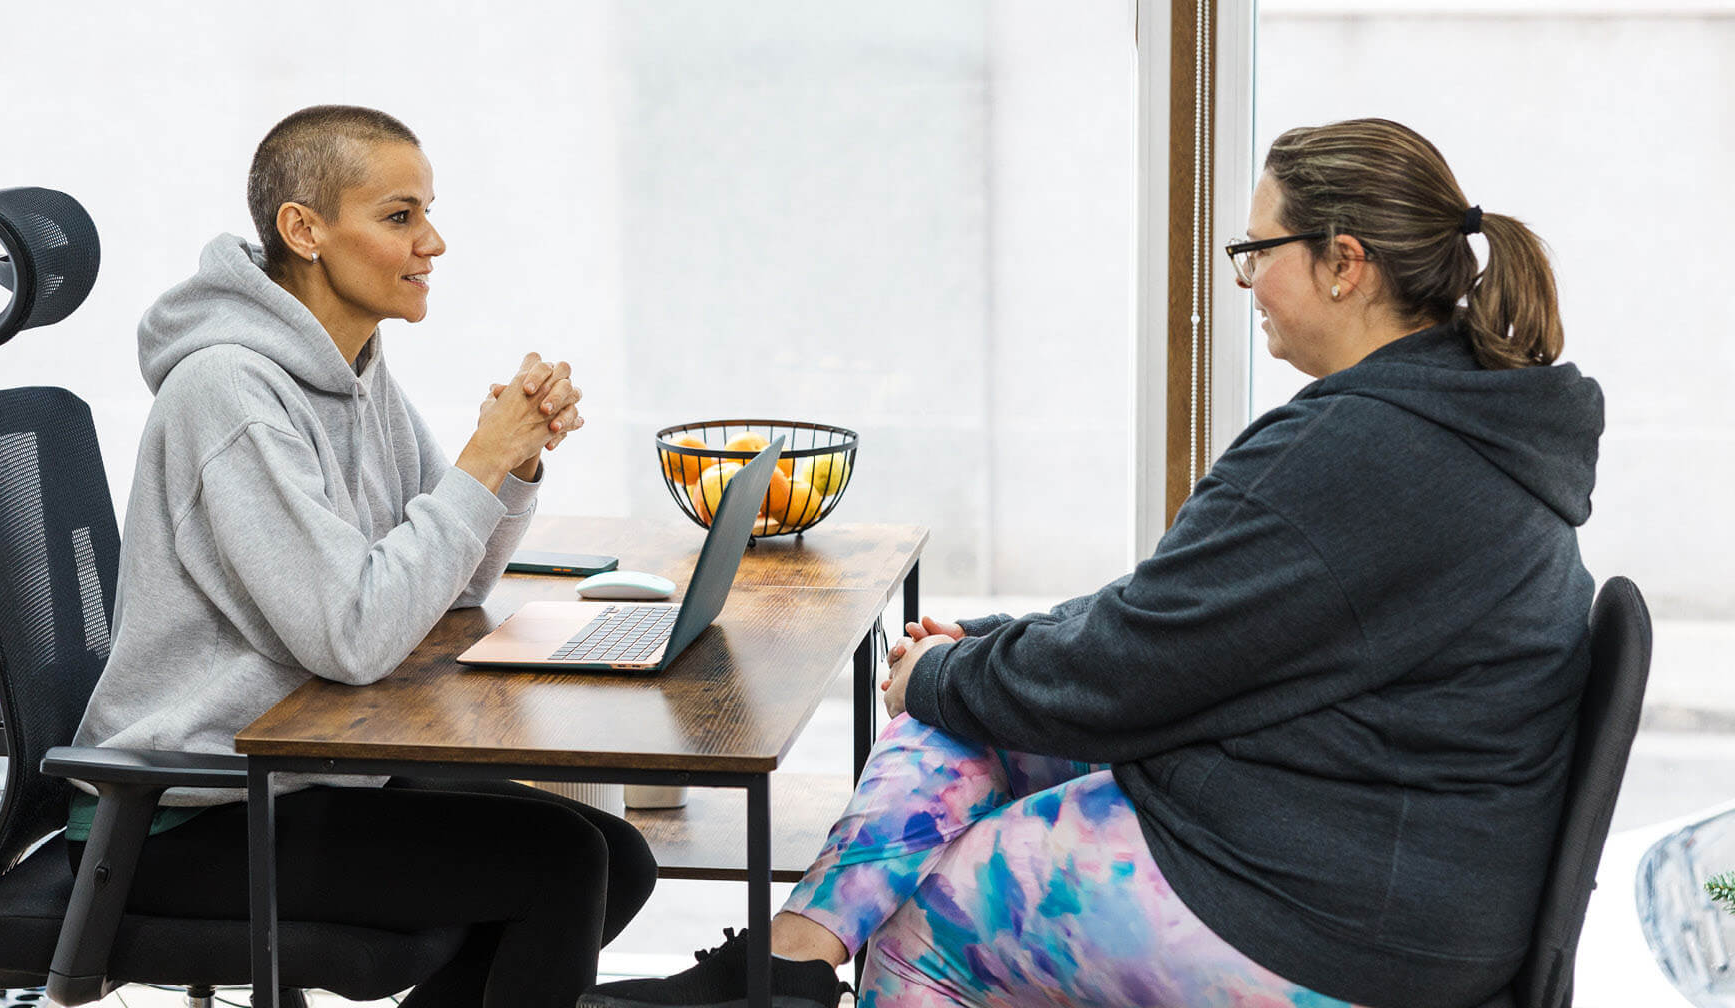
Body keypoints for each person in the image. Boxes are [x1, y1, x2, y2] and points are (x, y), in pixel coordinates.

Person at [581, 117, 1602, 1008]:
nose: (1246, 280)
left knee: (919, 932)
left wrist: (946, 670)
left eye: (1257, 250)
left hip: (1339, 914)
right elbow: (1181, 610)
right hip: (1360, 849)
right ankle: (786, 967)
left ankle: (807, 971)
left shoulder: (1363, 449)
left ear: (1344, 262)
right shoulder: (1445, 416)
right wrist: (980, 653)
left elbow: (1138, 664)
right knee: (952, 726)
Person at [69, 104, 656, 1008]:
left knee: (615, 856)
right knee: (563, 864)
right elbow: (353, 634)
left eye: (428, 212)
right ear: (303, 231)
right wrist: (480, 461)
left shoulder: (352, 365)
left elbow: (452, 583)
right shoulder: (229, 393)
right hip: (183, 810)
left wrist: (514, 463)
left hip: (301, 767)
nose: (433, 242)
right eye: (399, 216)